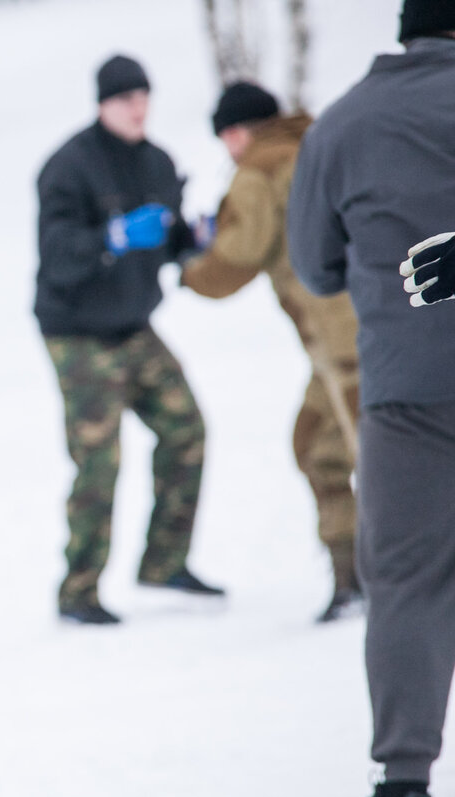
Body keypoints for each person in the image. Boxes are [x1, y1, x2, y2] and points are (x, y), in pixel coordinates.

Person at [286, 1, 455, 797]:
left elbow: (314, 268)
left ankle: (405, 772)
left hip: (405, 394)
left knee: (407, 580)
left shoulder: (341, 127)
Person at [35, 53, 223, 625]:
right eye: (125, 99)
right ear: (102, 104)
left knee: (187, 429)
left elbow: (165, 242)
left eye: (144, 97)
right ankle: (79, 593)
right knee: (100, 460)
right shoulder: (68, 167)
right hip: (78, 332)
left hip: (135, 325)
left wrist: (191, 239)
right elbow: (59, 256)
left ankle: (164, 561)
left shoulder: (159, 163)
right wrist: (111, 236)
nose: (137, 108)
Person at [180, 81, 363, 623]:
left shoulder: (258, 167)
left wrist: (189, 268)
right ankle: (355, 579)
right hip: (355, 336)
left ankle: (408, 580)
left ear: (236, 132)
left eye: (225, 137)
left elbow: (235, 259)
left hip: (347, 345)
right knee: (315, 446)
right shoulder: (317, 144)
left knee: (383, 462)